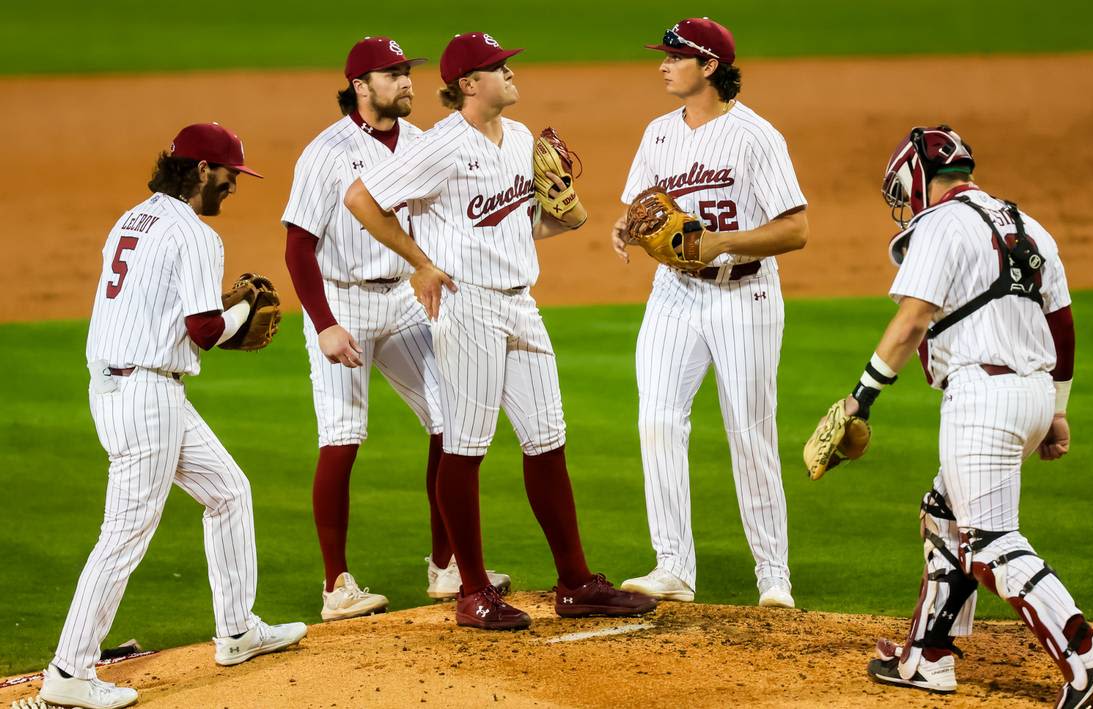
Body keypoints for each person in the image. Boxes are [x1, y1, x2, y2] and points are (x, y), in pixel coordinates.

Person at [342, 31, 657, 630]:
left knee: (547, 438)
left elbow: (514, 225)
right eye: (498, 68)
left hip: (521, 305)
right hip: (468, 308)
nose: (512, 74)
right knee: (465, 445)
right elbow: (362, 199)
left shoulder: (517, 138)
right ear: (468, 84)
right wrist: (421, 262)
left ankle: (575, 583)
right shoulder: (440, 145)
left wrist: (562, 217)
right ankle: (472, 590)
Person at [842, 125, 1093, 706]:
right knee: (944, 513)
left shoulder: (942, 224)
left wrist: (860, 397)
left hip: (981, 396)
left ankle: (1085, 651)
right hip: (1032, 395)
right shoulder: (1031, 226)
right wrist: (1058, 412)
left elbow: (913, 320)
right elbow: (1062, 324)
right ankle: (928, 657)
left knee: (990, 542)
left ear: (919, 179)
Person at [42, 123, 306, 709]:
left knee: (229, 491)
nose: (234, 186)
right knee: (124, 535)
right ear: (202, 171)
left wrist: (224, 311)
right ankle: (69, 670)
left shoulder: (133, 217)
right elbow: (206, 332)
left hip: (124, 386)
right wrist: (241, 315)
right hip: (145, 397)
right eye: (230, 175)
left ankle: (237, 631)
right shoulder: (194, 235)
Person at [282, 36, 508, 621]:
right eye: (392, 73)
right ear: (360, 86)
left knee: (450, 420)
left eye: (408, 72)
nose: (407, 82)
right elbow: (298, 248)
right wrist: (325, 325)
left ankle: (446, 566)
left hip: (405, 299)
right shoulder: (326, 151)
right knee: (342, 435)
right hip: (343, 301)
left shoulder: (420, 142)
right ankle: (337, 587)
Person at [611, 18, 808, 608]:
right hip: (673, 293)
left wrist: (721, 243)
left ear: (711, 67)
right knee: (658, 420)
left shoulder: (756, 136)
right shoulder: (659, 134)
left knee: (749, 432)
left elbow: (795, 230)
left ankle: (774, 576)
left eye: (676, 56)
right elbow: (642, 208)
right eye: (664, 55)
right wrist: (627, 226)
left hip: (742, 294)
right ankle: (672, 564)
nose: (663, 64)